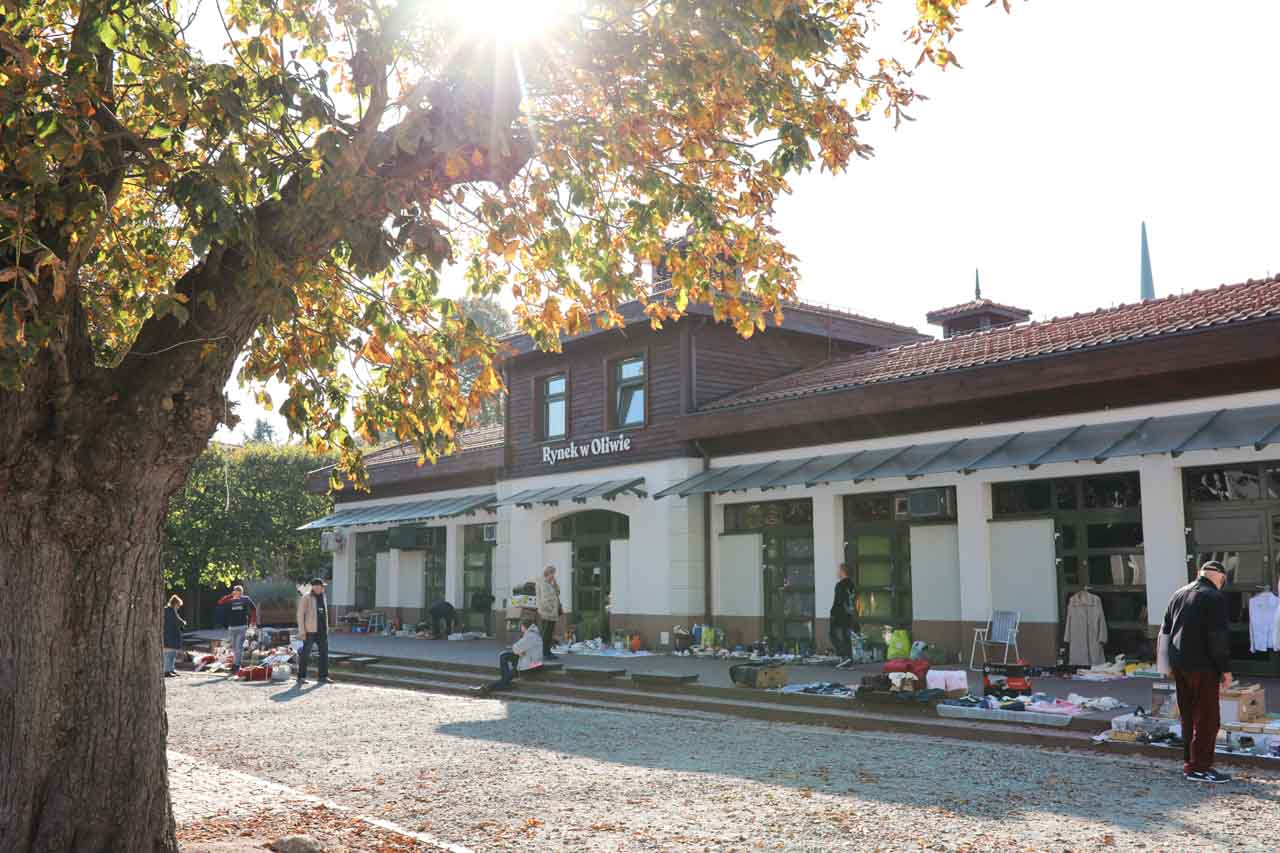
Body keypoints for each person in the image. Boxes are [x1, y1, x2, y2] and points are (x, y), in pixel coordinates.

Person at [1162, 559, 1232, 784]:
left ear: (1199, 573)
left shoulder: (1179, 593)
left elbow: (1165, 631)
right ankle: (1201, 768)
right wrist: (1225, 669)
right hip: (1203, 665)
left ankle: (1189, 764)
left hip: (1179, 663)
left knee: (1188, 715)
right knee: (1208, 718)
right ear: (1220, 576)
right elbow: (1217, 638)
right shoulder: (1214, 597)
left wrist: (1165, 664)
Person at [478, 618, 543, 694]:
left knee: (507, 675)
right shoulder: (531, 634)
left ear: (524, 626)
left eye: (521, 626)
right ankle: (500, 684)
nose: (520, 628)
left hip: (531, 665)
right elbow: (518, 649)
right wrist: (520, 651)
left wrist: (519, 651)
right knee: (504, 655)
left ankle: (488, 688)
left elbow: (516, 648)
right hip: (527, 660)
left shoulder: (531, 636)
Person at [295, 577, 332, 685]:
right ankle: (301, 677)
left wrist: (327, 628)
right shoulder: (306, 597)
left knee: (324, 654)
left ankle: (323, 676)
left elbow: (324, 614)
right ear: (315, 587)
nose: (322, 588)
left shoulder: (323, 596)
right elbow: (300, 614)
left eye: (322, 587)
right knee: (305, 654)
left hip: (322, 631)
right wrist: (302, 631)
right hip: (310, 631)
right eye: (321, 586)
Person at [216, 585, 257, 673]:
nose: (237, 593)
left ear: (241, 592)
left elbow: (254, 609)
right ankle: (236, 664)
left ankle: (236, 665)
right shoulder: (230, 600)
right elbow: (220, 602)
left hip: (242, 627)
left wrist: (253, 622)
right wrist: (230, 595)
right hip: (232, 627)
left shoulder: (246, 599)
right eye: (235, 591)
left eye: (238, 591)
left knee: (239, 647)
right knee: (235, 648)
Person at [829, 563, 858, 667]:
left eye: (838, 570)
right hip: (849, 614)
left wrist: (833, 614)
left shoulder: (840, 585)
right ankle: (848, 659)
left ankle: (844, 656)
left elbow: (839, 601)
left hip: (839, 614)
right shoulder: (852, 585)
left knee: (833, 635)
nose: (837, 572)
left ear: (842, 571)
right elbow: (851, 600)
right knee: (846, 637)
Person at [536, 565, 562, 660]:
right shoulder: (543, 583)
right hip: (547, 612)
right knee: (546, 633)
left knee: (550, 632)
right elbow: (544, 599)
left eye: (554, 574)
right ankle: (545, 652)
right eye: (552, 573)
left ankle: (547, 651)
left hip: (552, 612)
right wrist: (550, 608)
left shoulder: (549, 583)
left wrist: (554, 583)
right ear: (548, 573)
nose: (553, 575)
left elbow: (558, 592)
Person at [163, 595, 186, 678]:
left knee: (172, 654)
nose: (179, 607)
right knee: (169, 654)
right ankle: (166, 670)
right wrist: (183, 623)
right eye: (179, 605)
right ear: (175, 604)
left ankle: (171, 669)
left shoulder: (169, 611)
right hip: (170, 635)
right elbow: (178, 621)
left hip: (171, 635)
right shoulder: (170, 611)